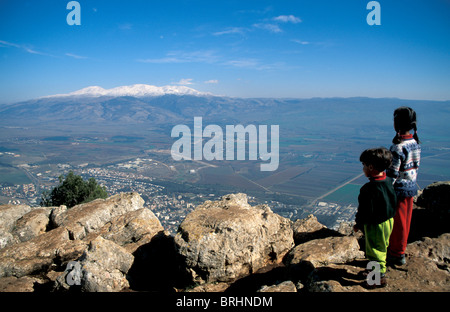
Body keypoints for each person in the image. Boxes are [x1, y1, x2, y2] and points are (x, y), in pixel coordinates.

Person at [354, 147, 397, 288]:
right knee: (382, 247)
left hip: (375, 224)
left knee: (374, 251)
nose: (363, 168)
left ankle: (377, 279)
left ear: (371, 167)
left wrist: (358, 223)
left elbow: (364, 211)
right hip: (388, 221)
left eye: (364, 165)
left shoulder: (368, 189)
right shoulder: (388, 181)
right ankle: (375, 272)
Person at [386, 106, 421, 265]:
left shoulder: (397, 147)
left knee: (397, 223)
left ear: (397, 124)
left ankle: (396, 253)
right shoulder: (415, 143)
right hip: (411, 187)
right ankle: (400, 249)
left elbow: (392, 173)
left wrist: (385, 189)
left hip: (398, 190)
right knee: (405, 221)